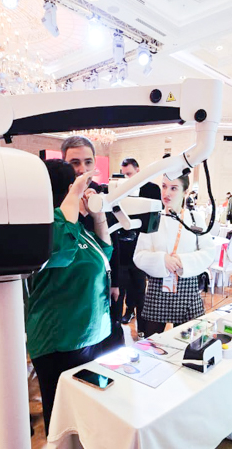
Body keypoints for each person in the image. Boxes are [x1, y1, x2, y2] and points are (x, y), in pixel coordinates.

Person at [26, 160, 112, 435]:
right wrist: (75, 195)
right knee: (64, 420)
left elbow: (104, 254)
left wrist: (98, 216)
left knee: (88, 413)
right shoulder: (49, 228)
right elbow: (60, 250)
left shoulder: (76, 227)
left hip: (90, 334)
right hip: (61, 341)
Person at [133, 174, 215, 338]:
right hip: (158, 289)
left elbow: (208, 252)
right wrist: (162, 259)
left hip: (187, 288)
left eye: (173, 188)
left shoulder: (195, 219)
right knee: (152, 343)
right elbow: (139, 256)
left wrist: (183, 261)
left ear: (185, 192)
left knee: (189, 342)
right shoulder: (153, 218)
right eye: (164, 186)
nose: (166, 193)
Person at [61, 134, 122, 348]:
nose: (82, 169)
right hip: (71, 282)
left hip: (102, 274)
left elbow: (114, 240)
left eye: (88, 162)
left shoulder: (103, 193)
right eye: (74, 163)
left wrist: (115, 282)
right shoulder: (58, 195)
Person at [117, 157, 161, 328]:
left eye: (129, 174)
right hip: (122, 247)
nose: (126, 178)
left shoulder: (152, 189)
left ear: (138, 171)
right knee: (122, 288)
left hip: (141, 246)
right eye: (123, 174)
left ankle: (142, 327)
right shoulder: (119, 191)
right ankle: (128, 312)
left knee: (140, 289)